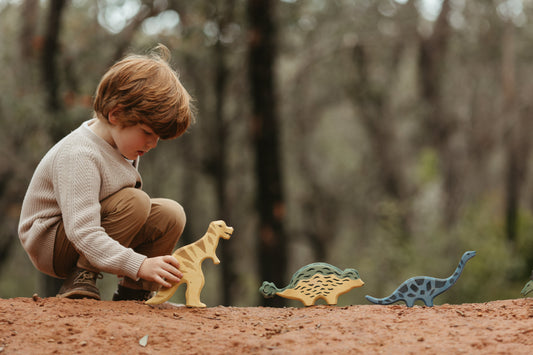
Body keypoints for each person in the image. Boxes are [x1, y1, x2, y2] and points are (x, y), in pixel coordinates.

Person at [18, 44, 194, 301]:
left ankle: (136, 292)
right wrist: (139, 264)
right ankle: (80, 277)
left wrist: (141, 270)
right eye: (147, 133)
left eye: (158, 137)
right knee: (136, 202)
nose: (152, 144)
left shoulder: (123, 145)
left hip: (84, 231)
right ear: (115, 115)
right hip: (53, 245)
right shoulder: (80, 153)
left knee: (171, 214)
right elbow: (82, 231)